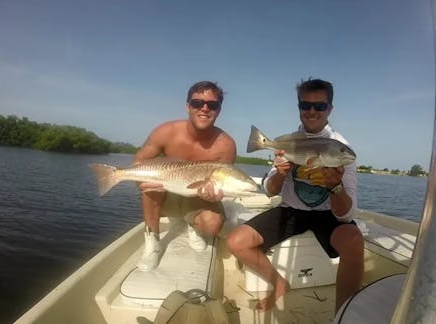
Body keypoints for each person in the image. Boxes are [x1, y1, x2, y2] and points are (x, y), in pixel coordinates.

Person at [226, 78, 364, 313]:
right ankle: (278, 283)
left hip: (327, 214)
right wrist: (279, 174)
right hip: (291, 210)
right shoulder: (288, 141)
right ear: (299, 107)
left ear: (329, 109)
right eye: (305, 105)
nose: (311, 111)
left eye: (319, 106)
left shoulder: (340, 148)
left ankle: (344, 314)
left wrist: (336, 187)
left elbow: (346, 214)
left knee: (353, 241)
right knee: (236, 241)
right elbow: (269, 190)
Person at [134, 81, 236, 271]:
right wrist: (143, 181)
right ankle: (152, 242)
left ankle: (194, 226)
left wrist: (215, 194)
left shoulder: (226, 145)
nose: (204, 108)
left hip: (197, 193)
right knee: (151, 183)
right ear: (188, 106)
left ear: (219, 110)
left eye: (212, 105)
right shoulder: (166, 131)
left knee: (212, 225)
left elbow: (223, 180)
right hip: (165, 189)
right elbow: (139, 161)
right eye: (197, 103)